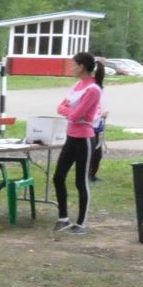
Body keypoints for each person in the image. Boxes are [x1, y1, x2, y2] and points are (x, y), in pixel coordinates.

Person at [53, 51, 105, 234]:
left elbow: (76, 115)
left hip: (84, 138)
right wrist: (68, 111)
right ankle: (63, 217)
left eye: (74, 64)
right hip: (71, 137)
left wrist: (69, 112)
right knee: (58, 176)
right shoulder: (77, 85)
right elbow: (61, 107)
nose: (72, 67)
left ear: (81, 66)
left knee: (80, 181)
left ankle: (81, 223)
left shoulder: (93, 90)